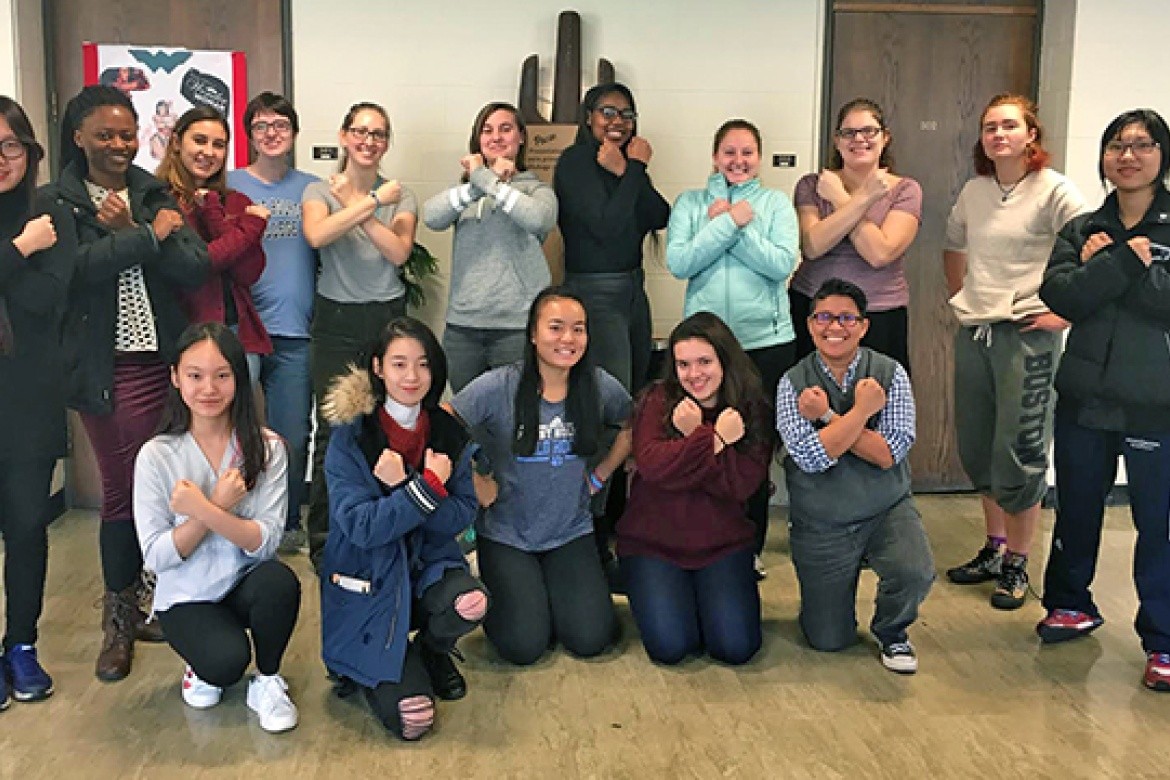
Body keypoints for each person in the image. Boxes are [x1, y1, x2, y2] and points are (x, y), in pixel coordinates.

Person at [47, 85, 208, 682]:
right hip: (104, 369)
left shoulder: (149, 190)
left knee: (163, 486)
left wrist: (143, 221)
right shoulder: (57, 200)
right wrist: (144, 236)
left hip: (162, 364)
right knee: (121, 491)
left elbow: (194, 265)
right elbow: (74, 273)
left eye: (127, 133)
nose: (119, 144)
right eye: (105, 134)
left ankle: (154, 598)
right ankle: (119, 617)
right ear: (78, 138)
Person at [1036, 109, 1170, 692]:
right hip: (1085, 397)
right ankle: (1071, 602)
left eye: (1142, 145)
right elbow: (1060, 293)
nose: (1128, 156)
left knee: (1157, 523)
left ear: (1163, 156)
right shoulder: (1082, 226)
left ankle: (1163, 637)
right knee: (1078, 505)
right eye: (1117, 144)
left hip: (1155, 401)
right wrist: (1122, 261)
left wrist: (1110, 266)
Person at [942, 94, 1086, 609]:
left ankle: (1019, 562)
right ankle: (993, 546)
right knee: (980, 444)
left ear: (1031, 135)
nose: (998, 134)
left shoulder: (1054, 191)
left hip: (1027, 335)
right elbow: (954, 244)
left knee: (1020, 450)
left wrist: (1065, 312)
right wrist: (963, 298)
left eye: (1009, 125)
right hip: (977, 332)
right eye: (989, 127)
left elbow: (1093, 249)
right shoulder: (975, 191)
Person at [320, 317, 488, 740]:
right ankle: (365, 669)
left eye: (423, 364)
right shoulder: (351, 436)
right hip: (369, 577)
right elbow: (360, 526)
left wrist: (411, 487)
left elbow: (462, 515)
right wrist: (427, 488)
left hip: (427, 566)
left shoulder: (450, 433)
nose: (412, 376)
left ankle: (431, 652)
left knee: (471, 602)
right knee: (415, 722)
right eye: (399, 364)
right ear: (378, 367)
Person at [450, 287, 632, 665]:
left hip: (571, 531)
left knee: (590, 638)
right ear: (533, 334)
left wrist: (600, 475)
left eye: (578, 329)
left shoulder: (597, 384)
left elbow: (634, 424)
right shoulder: (499, 385)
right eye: (556, 327)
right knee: (524, 646)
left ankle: (549, 592)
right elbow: (441, 424)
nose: (568, 339)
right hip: (508, 535)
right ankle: (514, 588)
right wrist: (474, 478)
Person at [134, 323, 301, 732]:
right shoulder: (155, 456)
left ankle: (267, 680)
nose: (208, 388)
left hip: (243, 581)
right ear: (175, 377)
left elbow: (265, 543)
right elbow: (157, 556)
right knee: (224, 666)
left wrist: (208, 511)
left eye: (222, 375)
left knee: (279, 581)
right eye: (195, 375)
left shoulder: (267, 448)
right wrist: (215, 508)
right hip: (186, 595)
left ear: (238, 380)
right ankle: (200, 663)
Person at [776, 278, 934, 673]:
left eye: (847, 318)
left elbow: (887, 454)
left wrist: (828, 419)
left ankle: (892, 631)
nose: (835, 327)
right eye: (824, 317)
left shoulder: (890, 373)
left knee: (914, 571)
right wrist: (862, 412)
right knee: (828, 640)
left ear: (864, 326)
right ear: (810, 324)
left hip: (885, 508)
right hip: (822, 520)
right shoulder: (791, 382)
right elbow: (810, 458)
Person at [666, 118, 799, 578]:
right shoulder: (689, 203)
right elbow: (680, 261)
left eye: (746, 153)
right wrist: (727, 224)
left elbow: (781, 264)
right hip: (708, 348)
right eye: (728, 152)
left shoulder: (776, 204)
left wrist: (733, 226)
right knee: (703, 443)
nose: (737, 161)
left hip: (766, 343)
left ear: (759, 158)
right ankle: (702, 538)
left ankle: (751, 546)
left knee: (753, 449)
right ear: (714, 156)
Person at [553, 82, 669, 576]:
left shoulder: (624, 167)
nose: (617, 121)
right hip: (594, 294)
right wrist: (635, 169)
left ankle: (620, 526)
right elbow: (604, 224)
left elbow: (658, 215)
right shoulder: (574, 164)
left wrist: (631, 174)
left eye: (626, 113)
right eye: (607, 112)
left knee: (635, 405)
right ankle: (594, 536)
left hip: (632, 292)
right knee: (611, 408)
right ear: (588, 117)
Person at [616, 311, 770, 665]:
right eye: (683, 364)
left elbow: (740, 485)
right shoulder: (658, 400)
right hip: (653, 545)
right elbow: (654, 468)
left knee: (736, 648)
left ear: (725, 360)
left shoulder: (750, 409)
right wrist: (713, 439)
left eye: (704, 361)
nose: (694, 374)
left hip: (723, 545)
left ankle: (701, 600)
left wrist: (691, 446)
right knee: (671, 648)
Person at [302, 101, 418, 569]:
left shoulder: (401, 195)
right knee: (333, 430)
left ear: (386, 142)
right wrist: (370, 203)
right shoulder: (318, 189)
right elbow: (317, 235)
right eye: (361, 132)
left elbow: (396, 252)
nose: (369, 141)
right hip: (335, 321)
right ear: (345, 135)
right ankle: (325, 539)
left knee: (386, 426)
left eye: (379, 134)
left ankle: (379, 528)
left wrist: (358, 205)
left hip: (386, 319)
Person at [0, 96, 74, 707]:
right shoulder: (32, 234)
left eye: (10, 146)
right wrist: (18, 251)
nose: (1, 159)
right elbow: (26, 282)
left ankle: (20, 646)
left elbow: (45, 300)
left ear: (29, 150)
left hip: (27, 399)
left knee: (26, 526)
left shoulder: (49, 211)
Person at [228, 92, 320, 555]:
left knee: (292, 435)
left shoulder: (313, 188)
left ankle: (285, 522)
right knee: (234, 430)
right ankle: (236, 518)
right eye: (261, 125)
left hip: (296, 332)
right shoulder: (229, 186)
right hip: (241, 332)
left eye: (280, 124)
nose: (271, 133)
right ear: (249, 135)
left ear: (294, 132)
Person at [423, 101, 556, 394]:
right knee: (468, 417)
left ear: (521, 136)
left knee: (513, 417)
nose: (496, 137)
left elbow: (539, 219)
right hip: (463, 329)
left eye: (505, 129)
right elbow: (431, 216)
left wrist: (487, 179)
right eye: (487, 130)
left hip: (516, 328)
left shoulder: (536, 190)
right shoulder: (469, 193)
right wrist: (478, 184)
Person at [790, 98, 922, 372]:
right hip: (814, 307)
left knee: (878, 403)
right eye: (848, 132)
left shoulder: (906, 190)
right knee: (812, 402)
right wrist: (863, 199)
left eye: (868, 131)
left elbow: (880, 253)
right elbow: (812, 245)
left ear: (885, 138)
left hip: (878, 312)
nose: (858, 139)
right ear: (837, 142)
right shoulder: (812, 185)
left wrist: (841, 198)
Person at [155, 106, 272, 379]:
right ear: (176, 142)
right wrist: (250, 228)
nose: (208, 152)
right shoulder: (157, 200)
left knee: (238, 420)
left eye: (218, 145)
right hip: (183, 335)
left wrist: (212, 209)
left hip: (237, 334)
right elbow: (196, 265)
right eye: (199, 140)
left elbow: (248, 273)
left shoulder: (235, 201)